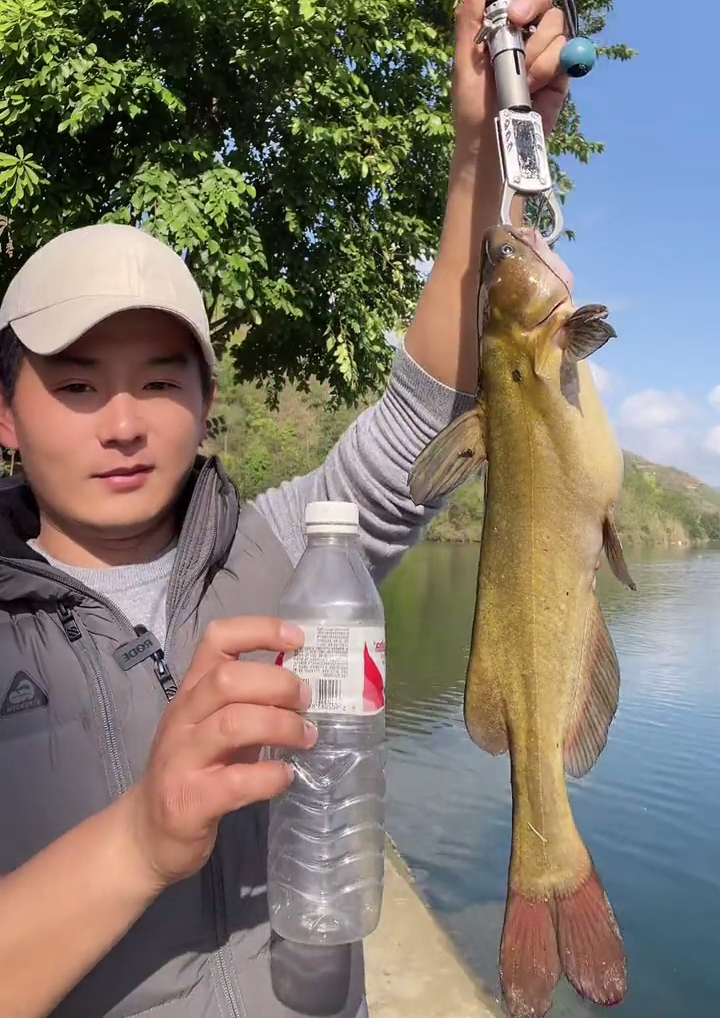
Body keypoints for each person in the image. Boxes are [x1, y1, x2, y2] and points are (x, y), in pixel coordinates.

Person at [0, 2, 569, 1016]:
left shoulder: (288, 552)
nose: (123, 423)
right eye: (77, 385)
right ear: (6, 416)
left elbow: (427, 411)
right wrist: (137, 839)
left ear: (208, 402)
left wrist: (480, 148)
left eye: (161, 382)